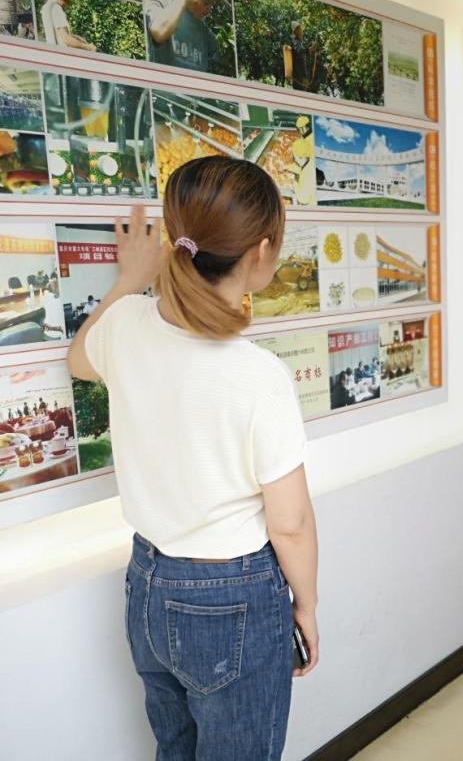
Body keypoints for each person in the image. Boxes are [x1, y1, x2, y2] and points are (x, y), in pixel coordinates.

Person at [67, 157, 320, 760]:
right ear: (261, 252)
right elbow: (289, 523)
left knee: (174, 751)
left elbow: (78, 359)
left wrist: (131, 280)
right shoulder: (257, 374)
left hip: (147, 584)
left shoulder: (126, 326)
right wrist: (306, 606)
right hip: (231, 597)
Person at [144, 0, 221, 74]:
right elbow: (159, 31)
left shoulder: (203, 29)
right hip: (166, 81)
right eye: (207, 1)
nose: (209, 10)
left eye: (212, 3)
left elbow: (223, 53)